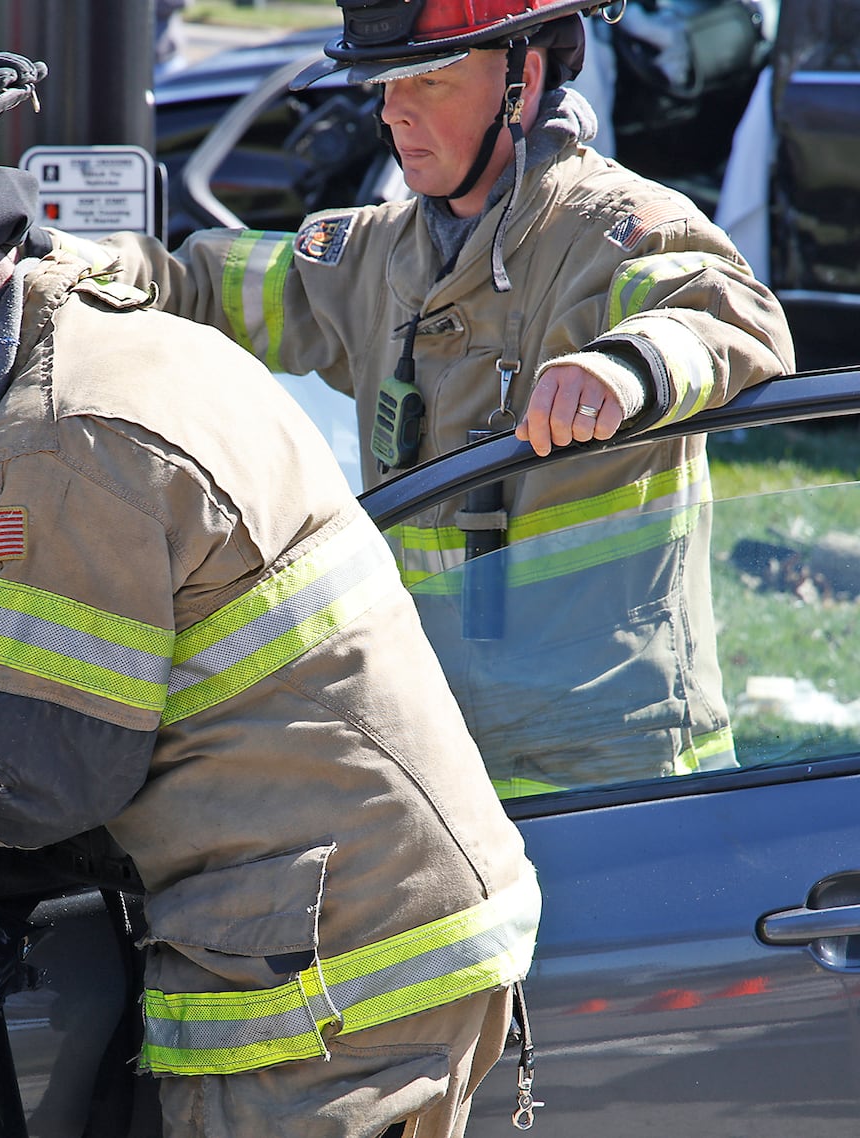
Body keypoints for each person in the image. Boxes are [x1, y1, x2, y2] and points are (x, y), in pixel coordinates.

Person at [0, 25, 541, 1138]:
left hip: (335, 994)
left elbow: (21, 786)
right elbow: (55, 597)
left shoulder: (65, 437)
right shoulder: (81, 349)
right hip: (366, 938)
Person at [97, 0, 796, 797]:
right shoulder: (378, 253)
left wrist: (625, 368)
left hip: (613, 770)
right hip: (443, 752)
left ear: (522, 80)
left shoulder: (624, 230)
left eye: (427, 78)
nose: (393, 109)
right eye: (383, 84)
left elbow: (735, 316)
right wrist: (56, 267)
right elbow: (198, 286)